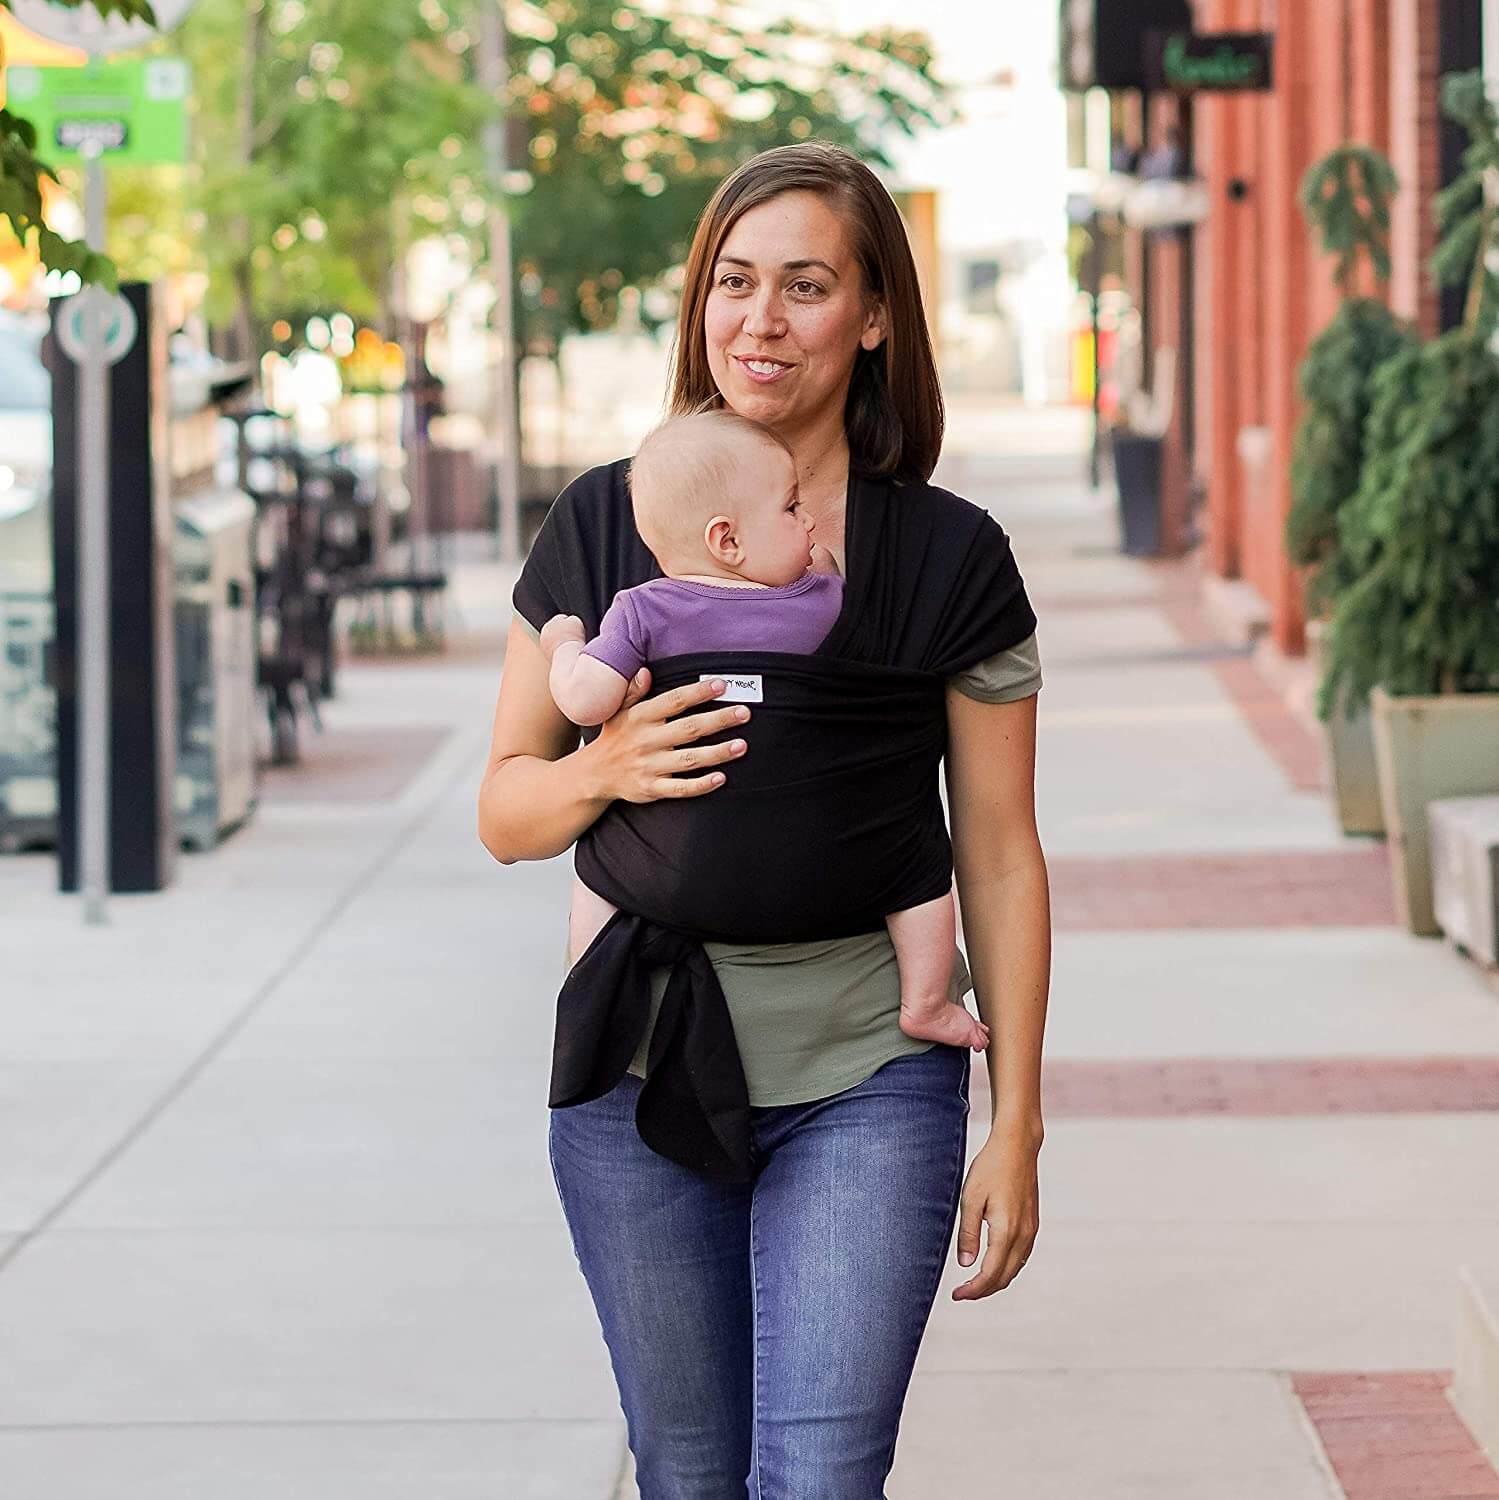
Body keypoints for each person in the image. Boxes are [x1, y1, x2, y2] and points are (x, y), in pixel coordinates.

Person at [478, 141, 1050, 1499]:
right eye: (733, 282)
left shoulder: (945, 558)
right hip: (635, 1067)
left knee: (820, 1476)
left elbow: (999, 850)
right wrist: (599, 772)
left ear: (869, 320)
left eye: (804, 285)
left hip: (869, 1075)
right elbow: (506, 807)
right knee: (685, 1472)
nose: (759, 318)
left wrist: (1016, 1117)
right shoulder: (602, 527)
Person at [540, 407, 990, 1054]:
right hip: (825, 837)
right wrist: (823, 567)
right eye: (789, 508)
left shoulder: (643, 609)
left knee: (604, 871)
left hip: (682, 838)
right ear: (727, 540)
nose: (807, 521)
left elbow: (586, 702)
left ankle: (592, 995)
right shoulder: (824, 601)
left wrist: (564, 645)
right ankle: (924, 1001)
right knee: (914, 867)